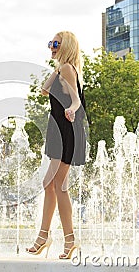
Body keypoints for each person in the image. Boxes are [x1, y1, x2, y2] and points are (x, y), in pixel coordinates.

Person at [26, 31, 87, 259]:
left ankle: (52, 237)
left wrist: (71, 108)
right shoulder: (64, 68)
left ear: (66, 46)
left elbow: (76, 99)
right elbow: (44, 89)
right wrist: (57, 65)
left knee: (54, 184)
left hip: (66, 129)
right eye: (50, 43)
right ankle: (58, 239)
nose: (51, 47)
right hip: (60, 129)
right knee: (55, 185)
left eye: (56, 44)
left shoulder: (68, 69)